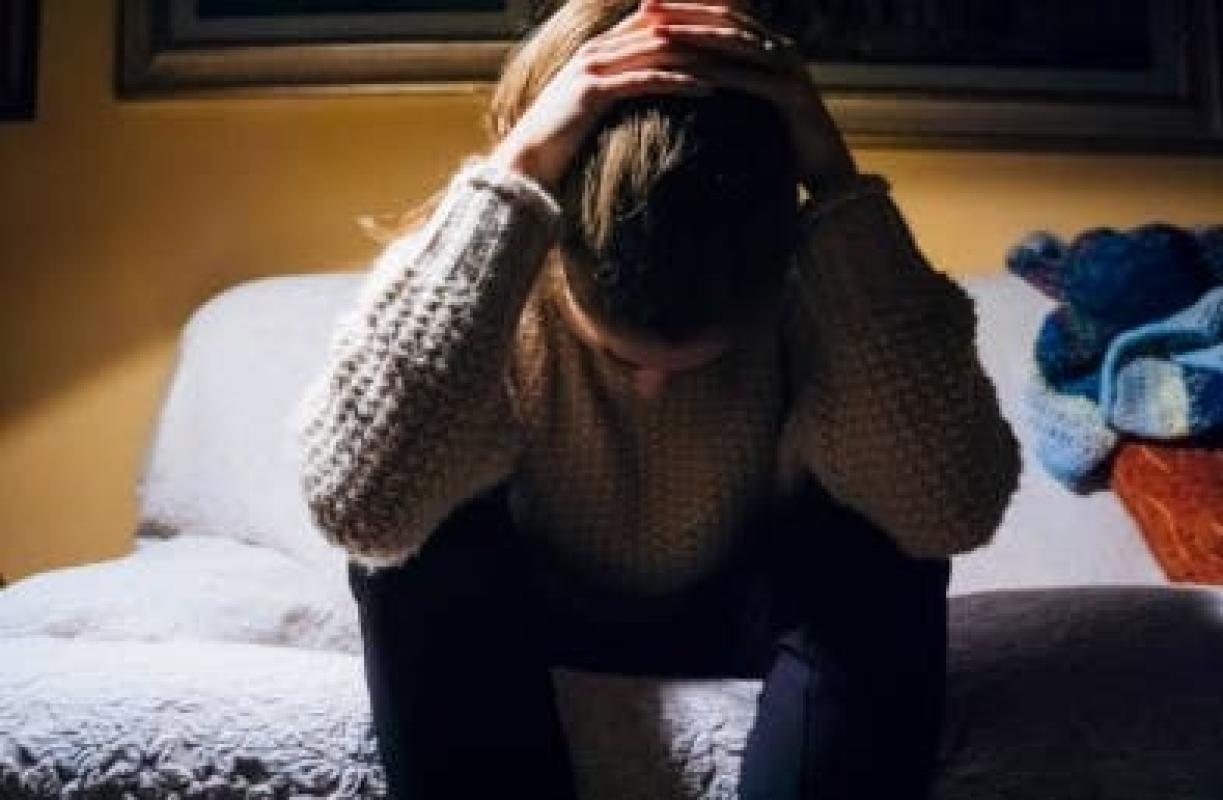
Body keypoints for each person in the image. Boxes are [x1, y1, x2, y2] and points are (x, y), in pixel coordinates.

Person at [289, 0, 1022, 797]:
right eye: (617, 353)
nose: (651, 388)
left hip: (743, 610)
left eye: (705, 359)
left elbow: (950, 512)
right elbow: (362, 514)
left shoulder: (815, 289)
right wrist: (516, 168)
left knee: (885, 537)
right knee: (416, 536)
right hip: (528, 612)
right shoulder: (492, 275)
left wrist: (835, 184)